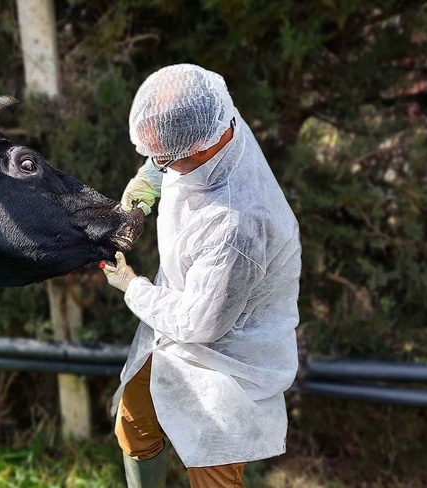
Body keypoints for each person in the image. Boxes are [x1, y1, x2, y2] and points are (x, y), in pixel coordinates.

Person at [101, 64, 301, 488]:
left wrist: (132, 285)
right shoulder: (214, 117)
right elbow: (169, 144)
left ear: (200, 144)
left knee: (212, 475)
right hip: (178, 319)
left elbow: (199, 324)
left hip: (229, 359)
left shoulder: (240, 224)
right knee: (133, 425)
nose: (159, 165)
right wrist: (146, 186)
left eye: (163, 160)